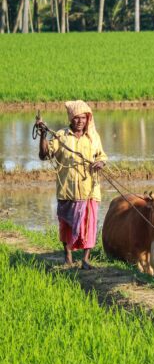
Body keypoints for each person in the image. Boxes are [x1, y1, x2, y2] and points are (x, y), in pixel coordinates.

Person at [37, 100, 107, 269]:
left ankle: (85, 259)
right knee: (66, 224)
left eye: (83, 118)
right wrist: (42, 135)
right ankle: (68, 256)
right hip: (67, 190)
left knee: (89, 224)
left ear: (87, 119)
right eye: (76, 118)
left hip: (89, 189)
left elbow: (102, 156)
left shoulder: (93, 137)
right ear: (70, 118)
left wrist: (100, 163)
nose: (80, 121)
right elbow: (44, 155)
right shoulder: (61, 136)